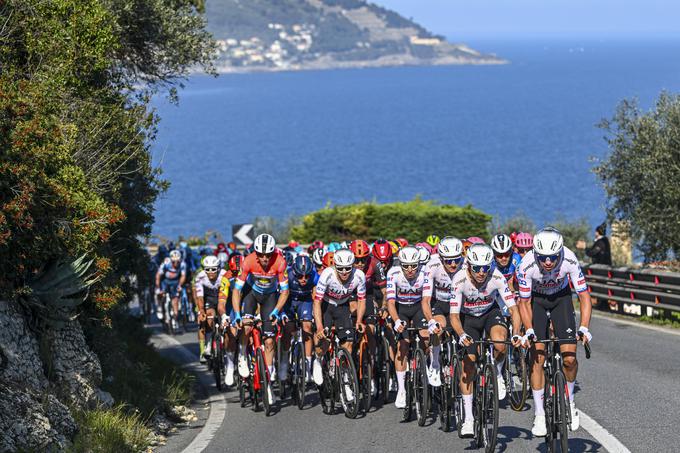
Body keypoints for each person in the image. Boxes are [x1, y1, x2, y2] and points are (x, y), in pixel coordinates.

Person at [516, 227, 592, 437]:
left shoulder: (569, 258)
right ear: (535, 254)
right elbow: (523, 303)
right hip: (537, 302)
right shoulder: (526, 265)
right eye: (543, 258)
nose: (548, 262)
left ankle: (570, 402)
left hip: (561, 299)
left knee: (569, 358)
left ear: (559, 253)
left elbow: (584, 296)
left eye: (552, 257)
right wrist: (530, 329)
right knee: (537, 356)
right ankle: (540, 414)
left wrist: (584, 327)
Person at [449, 243, 522, 437]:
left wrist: (516, 332)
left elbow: (514, 309)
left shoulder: (496, 277)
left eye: (485, 268)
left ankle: (497, 373)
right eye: (477, 268)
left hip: (490, 313)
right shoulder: (459, 279)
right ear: (469, 266)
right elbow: (454, 316)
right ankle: (468, 418)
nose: (482, 273)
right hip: (468, 319)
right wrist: (462, 335)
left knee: (499, 342)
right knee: (469, 366)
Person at [231, 233, 289, 405]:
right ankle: (242, 353)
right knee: (247, 328)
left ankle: (269, 381)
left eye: (268, 255)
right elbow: (236, 291)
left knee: (270, 341)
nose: (264, 258)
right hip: (251, 295)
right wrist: (238, 315)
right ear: (256, 253)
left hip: (270, 297)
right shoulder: (248, 261)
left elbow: (285, 291)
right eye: (261, 255)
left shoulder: (279, 262)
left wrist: (277, 311)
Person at [312, 249, 367, 397]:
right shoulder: (327, 275)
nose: (344, 272)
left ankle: (345, 379)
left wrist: (360, 320)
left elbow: (362, 299)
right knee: (323, 340)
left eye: (347, 268)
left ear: (353, 266)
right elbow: (316, 302)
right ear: (335, 266)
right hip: (326, 306)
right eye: (340, 268)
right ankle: (318, 359)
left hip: (342, 306)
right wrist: (319, 327)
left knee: (348, 344)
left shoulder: (359, 276)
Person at [386, 246, 429, 409]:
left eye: (413, 266)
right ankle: (402, 389)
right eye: (406, 266)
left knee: (425, 337)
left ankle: (422, 365)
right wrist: (396, 320)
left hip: (418, 307)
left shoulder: (425, 273)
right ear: (401, 264)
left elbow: (426, 300)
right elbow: (390, 302)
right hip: (401, 309)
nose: (410, 270)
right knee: (402, 346)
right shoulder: (393, 273)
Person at [421, 237, 464, 387]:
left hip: (460, 306)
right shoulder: (432, 265)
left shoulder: (466, 266)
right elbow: (425, 300)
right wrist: (431, 321)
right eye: (448, 260)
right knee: (438, 330)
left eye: (456, 260)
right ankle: (435, 363)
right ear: (441, 258)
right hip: (440, 304)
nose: (453, 264)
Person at [285, 255, 316, 382]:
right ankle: (285, 360)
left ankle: (307, 366)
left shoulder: (315, 276)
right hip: (289, 301)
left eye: (307, 276)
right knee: (288, 329)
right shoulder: (287, 276)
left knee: (307, 328)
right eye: (300, 276)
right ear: (294, 273)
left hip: (305, 301)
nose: (304, 279)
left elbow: (316, 295)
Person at [194, 256, 228, 362]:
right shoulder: (200, 277)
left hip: (222, 297)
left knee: (225, 320)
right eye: (207, 269)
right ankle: (207, 346)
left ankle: (225, 346)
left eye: (213, 269)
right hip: (207, 299)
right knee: (208, 317)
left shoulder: (224, 275)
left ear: (218, 268)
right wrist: (201, 311)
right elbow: (199, 297)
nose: (210, 272)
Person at [155, 250, 186, 331]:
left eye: (177, 261)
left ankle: (175, 317)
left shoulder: (182, 264)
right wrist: (158, 287)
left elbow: (183, 276)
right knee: (160, 294)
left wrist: (180, 285)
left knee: (175, 300)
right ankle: (159, 308)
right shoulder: (166, 263)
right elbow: (158, 275)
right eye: (174, 261)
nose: (176, 263)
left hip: (175, 283)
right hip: (165, 282)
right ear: (171, 260)